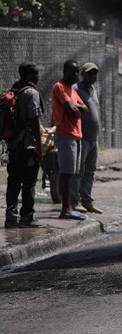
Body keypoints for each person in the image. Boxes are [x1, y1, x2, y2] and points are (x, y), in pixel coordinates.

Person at [4, 62, 44, 228]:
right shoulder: (31, 92)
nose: (37, 77)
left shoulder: (14, 90)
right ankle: (27, 217)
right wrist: (40, 147)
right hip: (28, 146)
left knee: (13, 181)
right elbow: (34, 120)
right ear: (28, 75)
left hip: (13, 145)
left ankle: (11, 216)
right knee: (29, 183)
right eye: (35, 74)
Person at [51, 60, 89, 220]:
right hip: (66, 135)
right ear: (65, 70)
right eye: (73, 71)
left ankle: (70, 207)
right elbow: (71, 110)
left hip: (76, 135)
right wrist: (76, 108)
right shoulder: (59, 87)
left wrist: (76, 107)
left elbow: (84, 109)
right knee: (66, 173)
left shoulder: (72, 90)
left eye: (77, 72)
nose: (76, 75)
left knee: (73, 172)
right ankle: (65, 209)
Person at [72, 61, 103, 214]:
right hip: (81, 136)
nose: (93, 75)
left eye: (95, 73)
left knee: (90, 171)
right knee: (79, 170)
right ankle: (75, 200)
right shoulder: (76, 89)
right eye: (90, 73)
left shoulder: (93, 89)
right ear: (83, 74)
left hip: (93, 137)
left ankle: (87, 200)